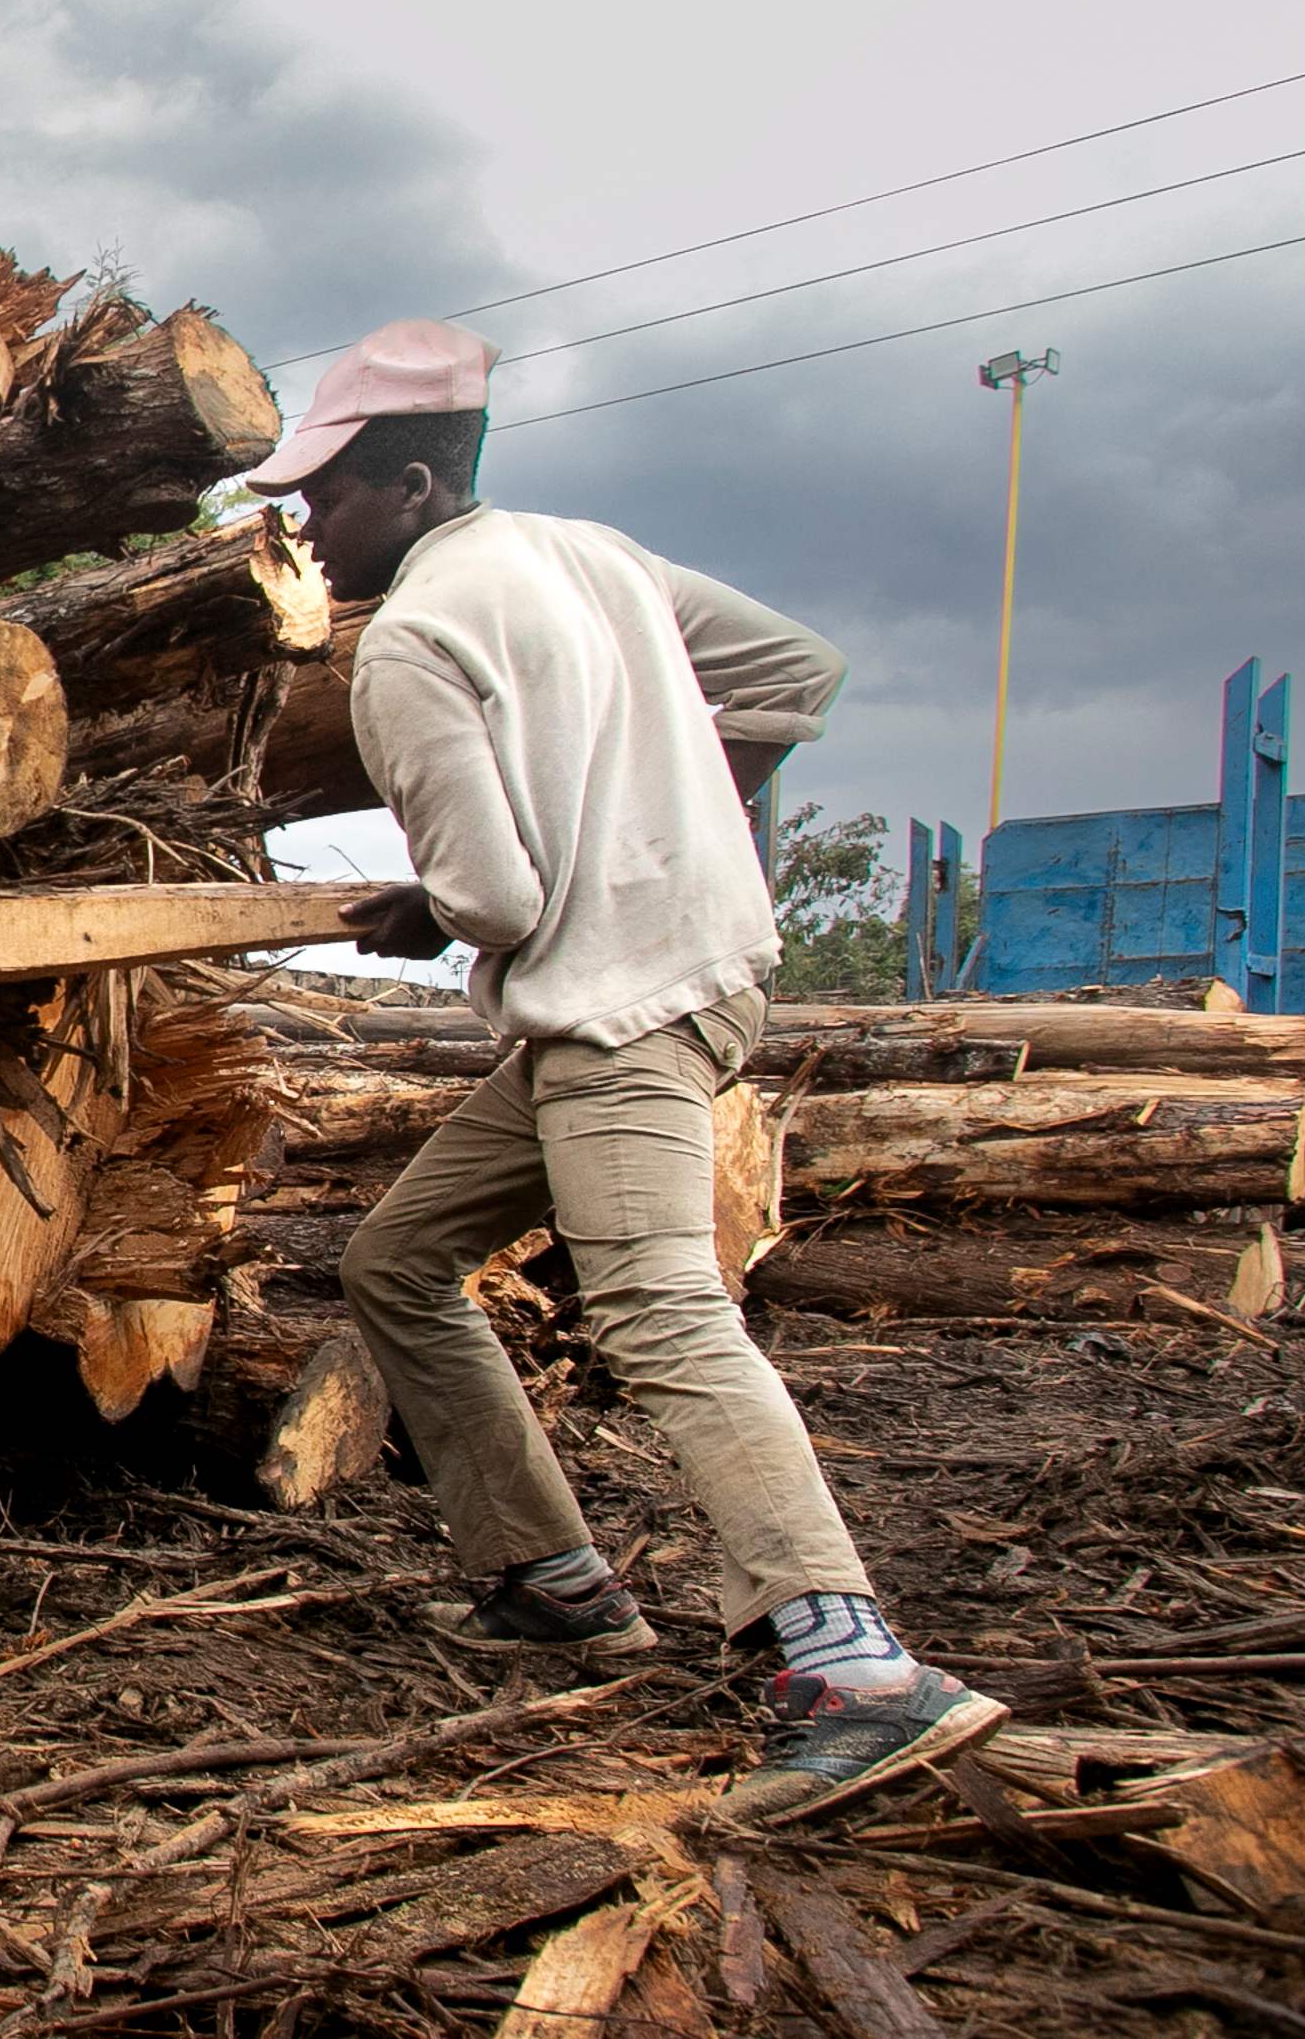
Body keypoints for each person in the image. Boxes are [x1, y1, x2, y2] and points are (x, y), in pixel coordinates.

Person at [247, 318, 1000, 1822]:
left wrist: (421, 908)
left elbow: (500, 902)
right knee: (396, 1258)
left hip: (614, 1016)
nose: (303, 533)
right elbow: (798, 671)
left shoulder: (408, 641)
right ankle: (553, 1578)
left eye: (322, 499)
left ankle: (853, 1667)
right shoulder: (591, 553)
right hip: (697, 976)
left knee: (661, 1309)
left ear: (408, 480)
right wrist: (664, 818)